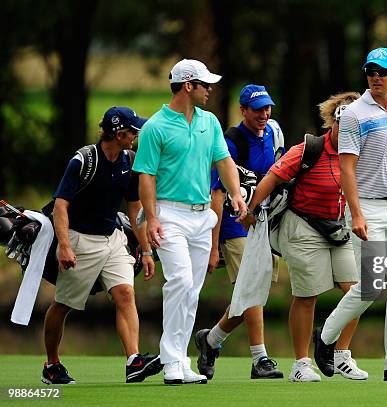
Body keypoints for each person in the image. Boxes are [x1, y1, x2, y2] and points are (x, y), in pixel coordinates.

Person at [312, 48, 387, 381]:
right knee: (371, 285)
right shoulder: (353, 115)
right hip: (368, 207)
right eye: (370, 71)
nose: (375, 77)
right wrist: (357, 214)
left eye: (382, 71)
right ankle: (325, 335)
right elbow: (346, 168)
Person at [133, 59, 247, 385]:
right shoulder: (156, 126)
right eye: (205, 84)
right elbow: (146, 176)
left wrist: (236, 194)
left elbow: (223, 161)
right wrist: (151, 217)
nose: (210, 90)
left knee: (192, 291)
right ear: (188, 85)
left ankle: (181, 359)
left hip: (201, 217)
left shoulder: (208, 122)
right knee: (180, 282)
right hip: (169, 214)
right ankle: (170, 360)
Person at [241, 92, 368, 382]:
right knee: (307, 294)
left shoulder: (361, 152)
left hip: (340, 226)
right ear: (332, 124)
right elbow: (272, 177)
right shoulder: (308, 149)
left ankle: (341, 356)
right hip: (303, 225)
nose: (347, 132)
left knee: (357, 292)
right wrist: (250, 209)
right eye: (342, 126)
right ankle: (301, 363)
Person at [43, 106, 161, 385]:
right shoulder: (83, 160)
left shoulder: (129, 161)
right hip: (79, 240)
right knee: (63, 305)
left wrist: (145, 250)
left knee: (125, 294)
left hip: (113, 238)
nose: (136, 135)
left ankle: (133, 361)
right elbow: (61, 206)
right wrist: (63, 245)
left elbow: (135, 209)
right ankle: (52, 364)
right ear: (118, 133)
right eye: (133, 131)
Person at [194, 84, 284, 380]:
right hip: (234, 226)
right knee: (253, 288)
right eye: (257, 109)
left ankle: (211, 341)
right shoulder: (231, 142)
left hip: (264, 223)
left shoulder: (273, 133)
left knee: (249, 293)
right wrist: (213, 243)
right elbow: (217, 195)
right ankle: (260, 358)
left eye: (267, 108)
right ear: (243, 110)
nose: (264, 114)